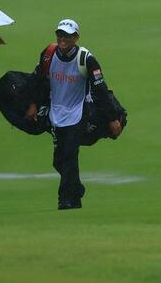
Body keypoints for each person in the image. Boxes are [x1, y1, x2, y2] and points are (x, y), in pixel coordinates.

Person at [26, 19, 122, 210]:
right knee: (59, 160)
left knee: (69, 155)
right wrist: (32, 104)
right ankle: (76, 188)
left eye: (68, 36)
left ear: (76, 37)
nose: (63, 39)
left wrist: (112, 118)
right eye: (60, 35)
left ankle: (67, 200)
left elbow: (101, 89)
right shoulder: (48, 54)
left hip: (78, 113)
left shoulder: (86, 59)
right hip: (56, 113)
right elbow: (38, 81)